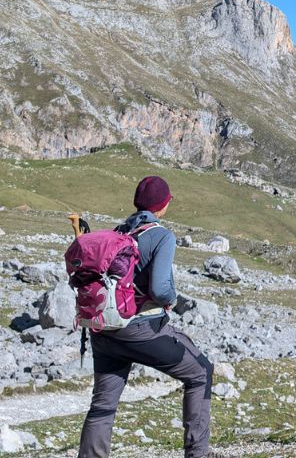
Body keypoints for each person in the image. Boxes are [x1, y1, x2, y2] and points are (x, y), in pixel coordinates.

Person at [78, 175, 213, 458]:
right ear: (163, 205)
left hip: (104, 329)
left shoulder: (119, 232)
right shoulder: (161, 235)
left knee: (103, 404)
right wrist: (172, 300)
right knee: (201, 372)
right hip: (140, 329)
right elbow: (160, 287)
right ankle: (197, 453)